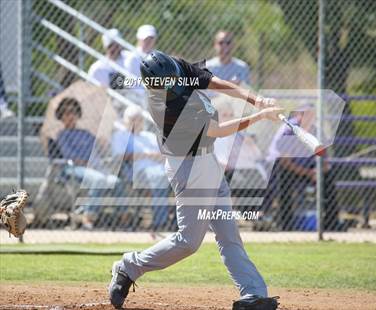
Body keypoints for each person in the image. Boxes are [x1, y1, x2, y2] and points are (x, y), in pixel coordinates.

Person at [108, 50, 281, 310]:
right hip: (188, 168)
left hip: (207, 161)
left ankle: (253, 294)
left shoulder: (176, 69)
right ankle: (128, 266)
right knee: (189, 242)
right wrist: (261, 116)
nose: (177, 84)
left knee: (228, 234)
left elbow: (214, 82)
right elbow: (218, 130)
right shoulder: (165, 107)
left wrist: (257, 99)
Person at [263, 110, 340, 231]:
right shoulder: (289, 129)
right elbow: (284, 162)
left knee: (329, 176)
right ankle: (285, 224)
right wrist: (308, 173)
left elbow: (325, 161)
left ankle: (333, 223)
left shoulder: (316, 131)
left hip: (310, 170)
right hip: (287, 169)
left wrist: (318, 172)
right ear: (298, 116)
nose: (308, 118)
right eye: (303, 114)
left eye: (310, 115)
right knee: (283, 175)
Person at [55, 97, 122, 229]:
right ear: (61, 116)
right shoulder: (61, 134)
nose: (71, 116)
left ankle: (122, 219)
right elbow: (70, 156)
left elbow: (99, 152)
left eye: (73, 112)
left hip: (94, 167)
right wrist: (89, 163)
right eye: (67, 113)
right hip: (73, 168)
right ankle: (88, 219)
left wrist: (103, 141)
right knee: (98, 179)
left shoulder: (85, 133)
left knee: (116, 181)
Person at [112, 105, 169, 230]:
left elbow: (164, 155)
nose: (137, 122)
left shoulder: (149, 136)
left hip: (160, 168)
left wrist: (145, 155)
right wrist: (147, 155)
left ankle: (175, 220)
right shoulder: (121, 136)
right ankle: (161, 222)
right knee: (159, 177)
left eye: (139, 118)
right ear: (126, 121)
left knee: (169, 175)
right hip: (137, 172)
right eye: (133, 119)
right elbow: (119, 157)